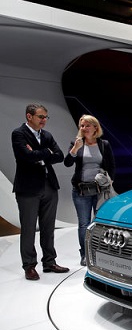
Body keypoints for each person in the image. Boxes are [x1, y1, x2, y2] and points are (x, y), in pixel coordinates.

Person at [11, 104, 68, 280]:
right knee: (28, 228)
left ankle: (49, 262)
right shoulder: (19, 134)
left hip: (49, 185)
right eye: (41, 117)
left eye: (45, 117)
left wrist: (39, 154)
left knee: (48, 227)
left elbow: (60, 156)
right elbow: (25, 157)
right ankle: (29, 265)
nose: (44, 120)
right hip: (28, 188)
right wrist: (46, 153)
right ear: (29, 116)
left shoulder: (47, 135)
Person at [64, 114, 116, 266]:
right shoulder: (76, 143)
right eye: (82, 125)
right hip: (81, 191)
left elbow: (111, 165)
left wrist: (110, 180)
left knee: (101, 223)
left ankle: (101, 253)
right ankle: (85, 254)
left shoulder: (103, 144)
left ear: (95, 127)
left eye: (87, 125)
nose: (84, 128)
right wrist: (75, 149)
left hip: (100, 191)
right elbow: (67, 163)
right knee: (84, 223)